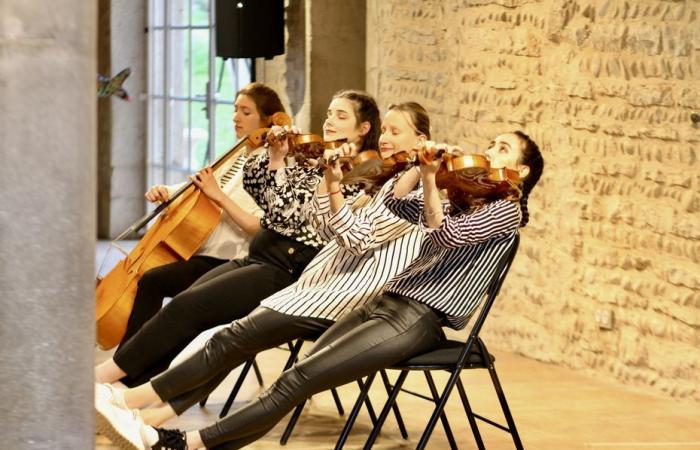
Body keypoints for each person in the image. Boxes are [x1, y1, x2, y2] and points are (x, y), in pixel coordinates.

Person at [96, 129, 545, 450]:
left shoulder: (507, 212)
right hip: (382, 303)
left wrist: (429, 179)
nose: (487, 152)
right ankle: (153, 422)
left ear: (521, 170)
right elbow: (398, 205)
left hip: (416, 317)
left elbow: (441, 236)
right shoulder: (463, 199)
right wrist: (420, 173)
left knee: (296, 378)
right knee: (290, 375)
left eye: (501, 148)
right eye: (490, 144)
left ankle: (172, 437)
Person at [95, 101, 429, 433]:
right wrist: (278, 156)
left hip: (297, 273)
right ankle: (128, 395)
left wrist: (332, 182)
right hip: (277, 263)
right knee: (191, 312)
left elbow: (297, 219)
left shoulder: (370, 176)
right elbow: (269, 196)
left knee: (205, 322)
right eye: (328, 113)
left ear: (362, 129)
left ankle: (120, 392)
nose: (329, 121)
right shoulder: (334, 163)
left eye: (341, 116)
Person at [100, 82, 280, 355]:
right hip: (200, 250)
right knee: (150, 278)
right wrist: (167, 192)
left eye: (246, 112)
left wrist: (217, 195)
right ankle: (130, 364)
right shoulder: (236, 154)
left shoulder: (272, 166)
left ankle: (130, 367)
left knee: (153, 281)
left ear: (268, 120)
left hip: (229, 259)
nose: (235, 117)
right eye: (235, 110)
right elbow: (198, 188)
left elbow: (256, 226)